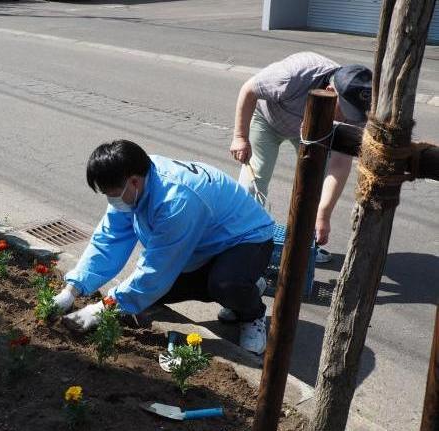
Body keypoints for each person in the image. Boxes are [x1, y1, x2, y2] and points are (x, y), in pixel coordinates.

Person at [53, 140, 275, 355]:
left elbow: (156, 270)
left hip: (247, 239)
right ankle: (243, 283)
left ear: (134, 182)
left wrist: (105, 307)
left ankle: (251, 311)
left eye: (113, 194)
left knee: (223, 284)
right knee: (153, 295)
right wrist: (72, 289)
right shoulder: (134, 178)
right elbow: (108, 240)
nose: (112, 201)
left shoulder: (175, 201)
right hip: (203, 244)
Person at [230, 52, 372, 260]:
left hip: (314, 132)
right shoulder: (292, 76)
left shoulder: (357, 109)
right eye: (344, 111)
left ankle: (306, 245)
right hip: (268, 119)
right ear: (329, 91)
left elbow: (340, 164)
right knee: (255, 179)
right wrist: (240, 137)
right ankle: (243, 243)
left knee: (315, 183)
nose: (346, 119)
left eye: (353, 115)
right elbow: (249, 89)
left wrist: (324, 214)